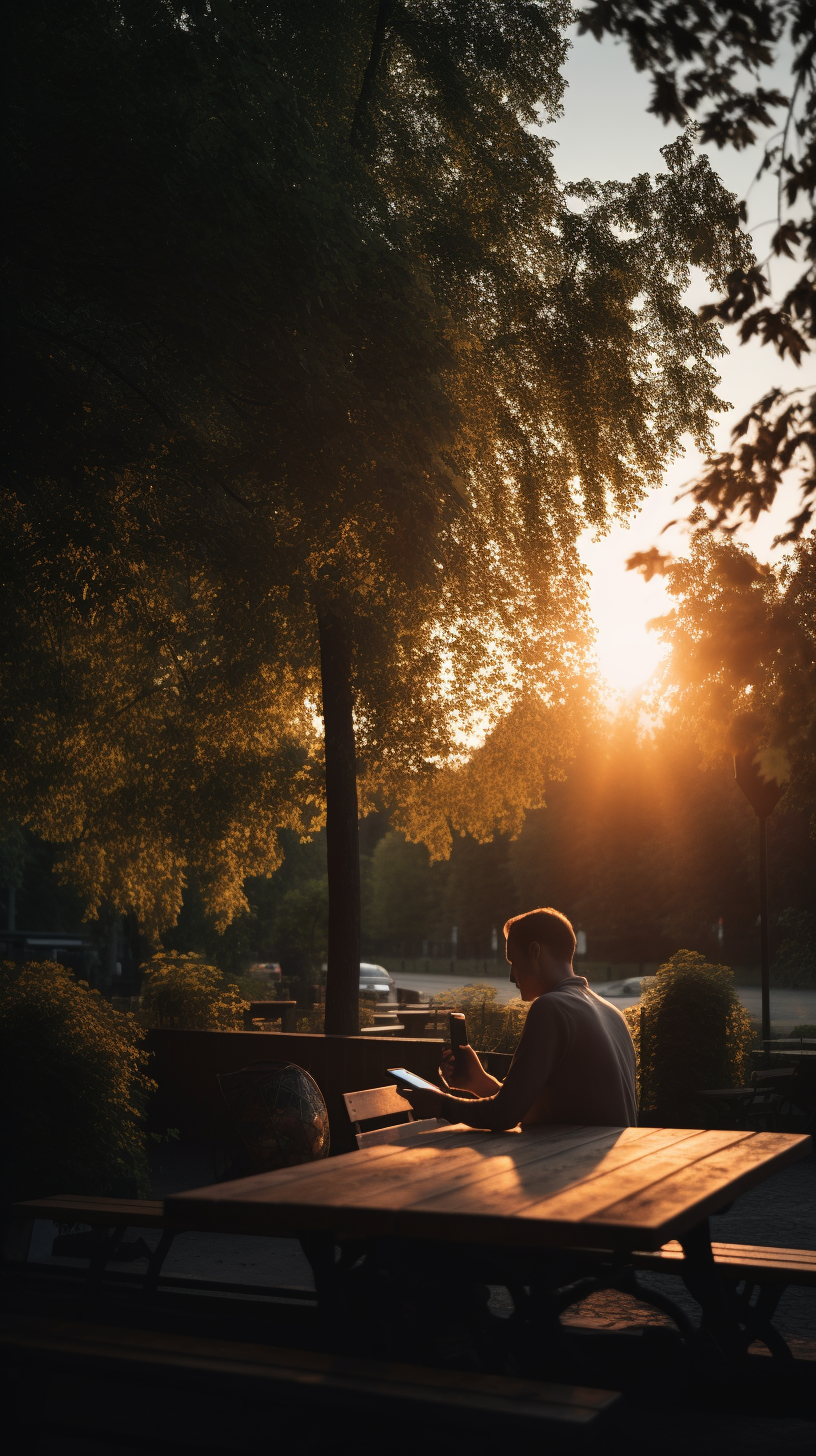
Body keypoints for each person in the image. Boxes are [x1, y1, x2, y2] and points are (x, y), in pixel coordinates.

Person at [405, 907, 637, 1129]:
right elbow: (531, 1110)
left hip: (577, 1163)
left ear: (535, 952)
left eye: (513, 962)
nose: (510, 977)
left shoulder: (551, 1007)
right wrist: (480, 1082)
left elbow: (503, 1116)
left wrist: (441, 1104)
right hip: (614, 1163)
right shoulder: (612, 1013)